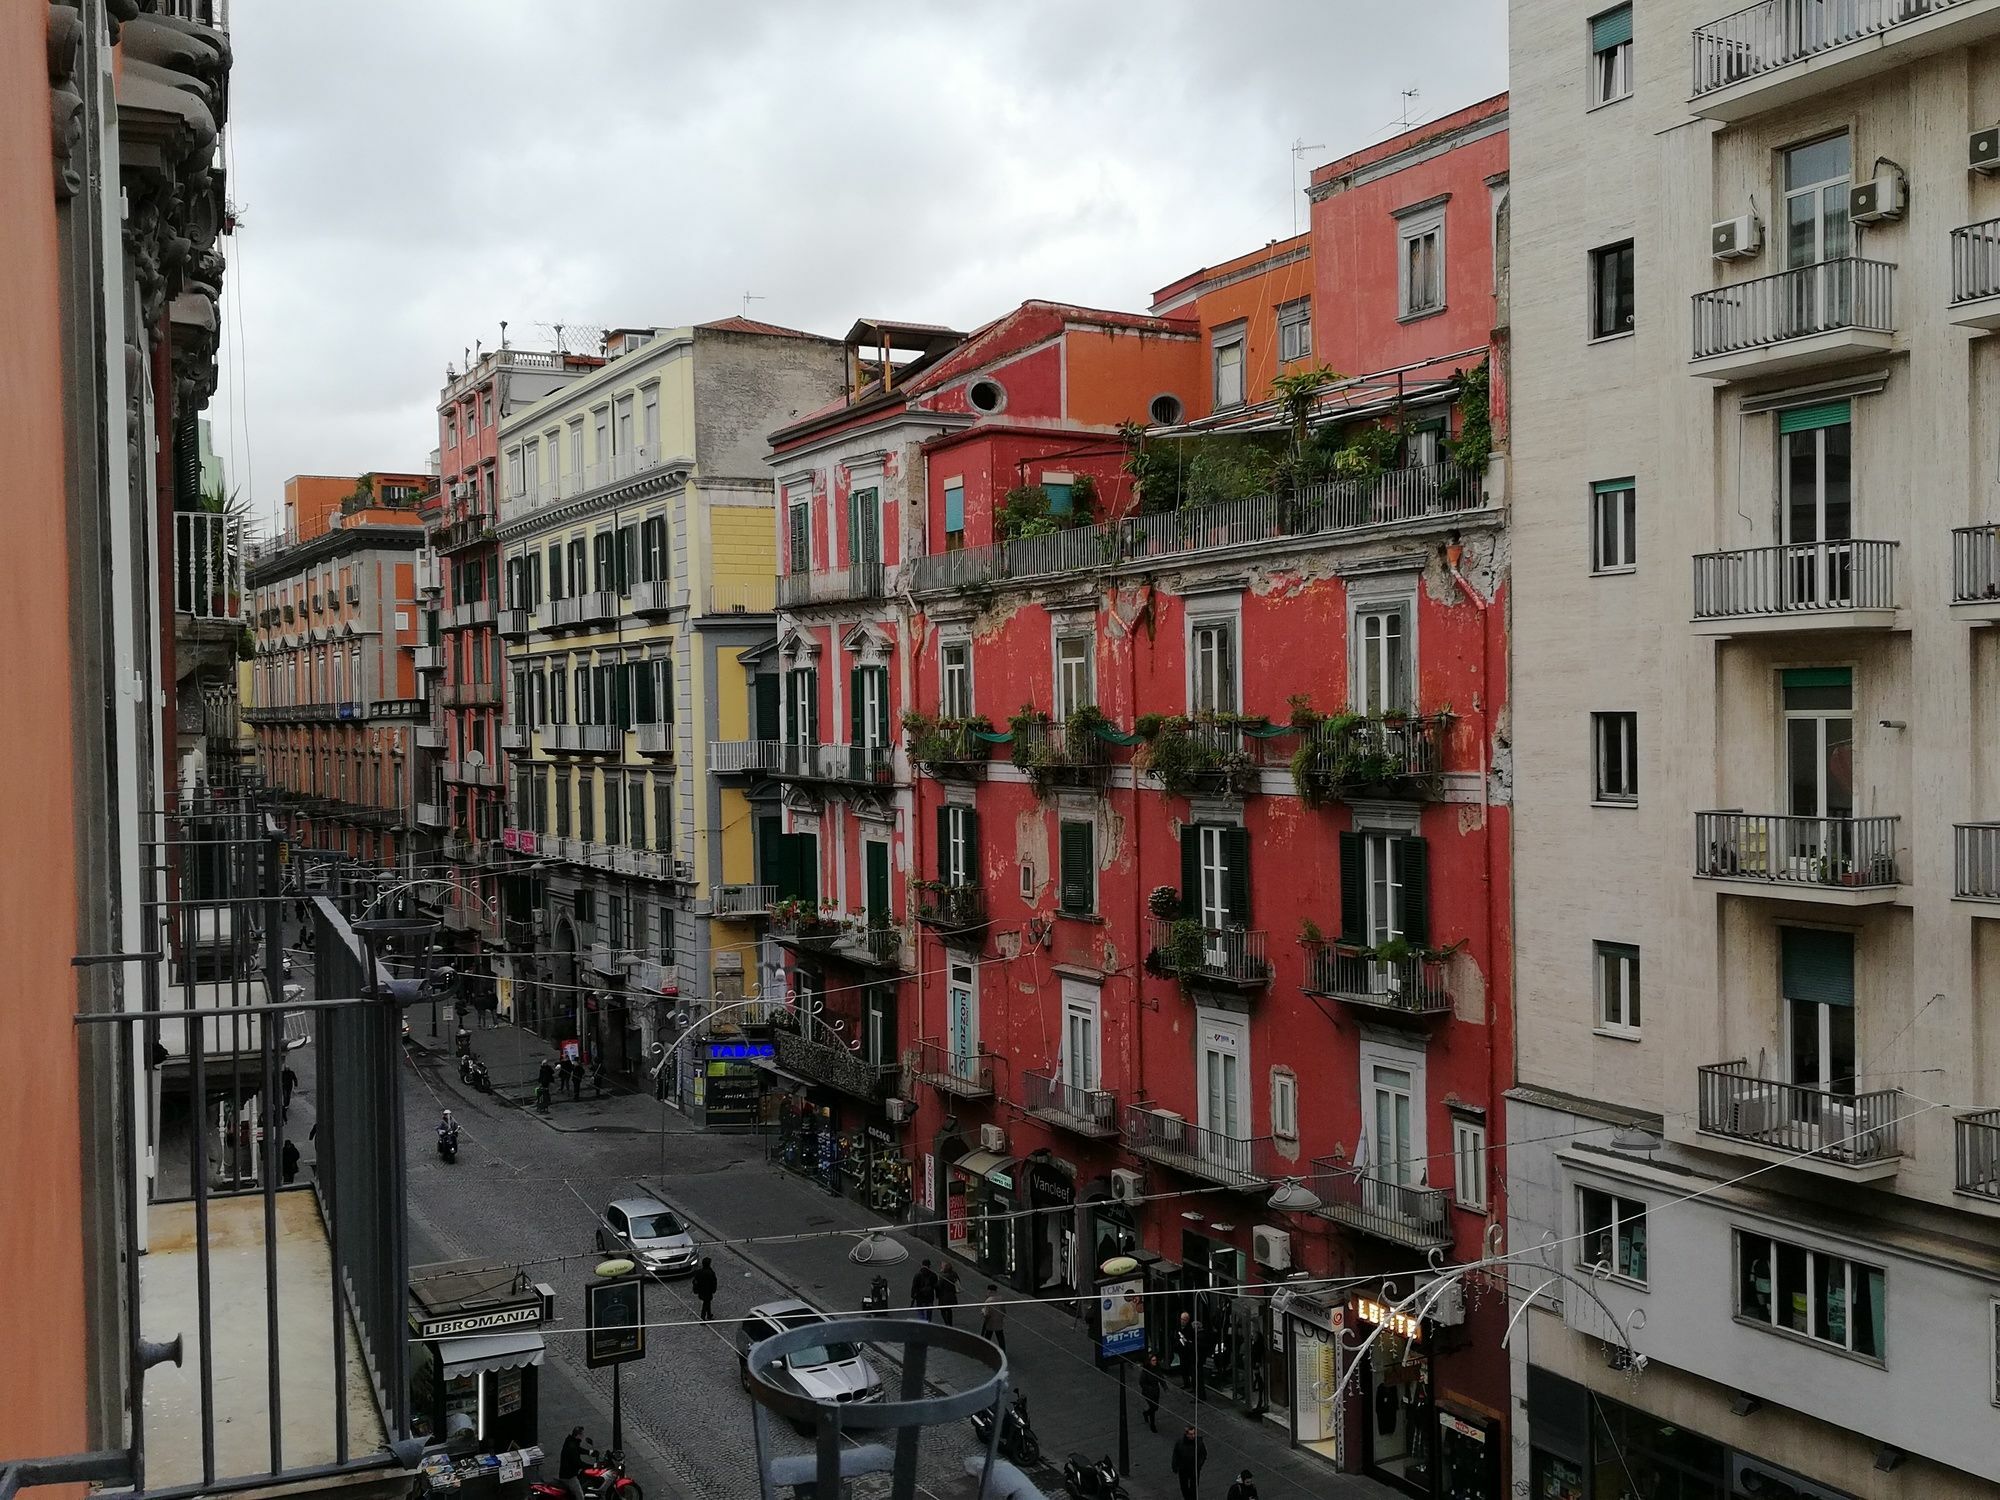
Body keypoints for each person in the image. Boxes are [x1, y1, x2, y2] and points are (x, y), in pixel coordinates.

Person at [1169, 1427, 1206, 1500]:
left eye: (1194, 1434)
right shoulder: (1180, 1443)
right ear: (1186, 1434)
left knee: (1194, 1488)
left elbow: (1203, 1455)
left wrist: (1199, 1465)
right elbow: (1176, 1455)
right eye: (1191, 1434)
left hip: (1194, 1469)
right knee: (1184, 1487)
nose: (1193, 1436)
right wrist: (1175, 1466)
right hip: (1183, 1469)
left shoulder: (1199, 1443)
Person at [558, 1426, 586, 1500]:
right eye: (582, 1434)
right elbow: (578, 1463)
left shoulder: (570, 1441)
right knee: (580, 1496)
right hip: (569, 1476)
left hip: (564, 1472)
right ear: (578, 1435)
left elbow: (578, 1449)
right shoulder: (572, 1448)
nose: (583, 1436)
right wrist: (592, 1466)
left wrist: (589, 1452)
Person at [1173, 1311, 1196, 1391]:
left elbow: (1191, 1340)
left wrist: (1186, 1341)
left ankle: (1192, 1385)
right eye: (1181, 1319)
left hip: (1188, 1352)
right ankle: (1186, 1383)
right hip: (1181, 1350)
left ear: (1188, 1320)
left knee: (1189, 1369)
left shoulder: (1190, 1329)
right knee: (1183, 1368)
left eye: (1184, 1320)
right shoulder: (1179, 1327)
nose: (1182, 1321)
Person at [1139, 1354, 1163, 1432]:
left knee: (1156, 1407)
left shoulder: (1157, 1369)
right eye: (1153, 1360)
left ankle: (1146, 1413)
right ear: (1149, 1361)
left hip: (1156, 1391)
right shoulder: (1145, 1371)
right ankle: (1152, 1424)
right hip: (1148, 1393)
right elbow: (1142, 1383)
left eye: (1155, 1360)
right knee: (1153, 1408)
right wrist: (1149, 1389)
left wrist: (1165, 1387)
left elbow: (1161, 1378)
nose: (1155, 1362)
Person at [979, 1284, 1006, 1349]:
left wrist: (983, 1311)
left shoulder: (988, 1301)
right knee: (1000, 1337)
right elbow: (1004, 1311)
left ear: (990, 1291)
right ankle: (1003, 1350)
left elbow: (986, 1314)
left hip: (990, 1322)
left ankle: (985, 1349)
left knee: (987, 1337)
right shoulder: (1001, 1298)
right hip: (999, 1321)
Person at [936, 1262, 960, 1326]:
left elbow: (939, 1286)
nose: (941, 1267)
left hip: (944, 1296)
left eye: (942, 1266)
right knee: (949, 1310)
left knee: (943, 1310)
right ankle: (950, 1323)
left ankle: (947, 1323)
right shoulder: (954, 1274)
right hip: (951, 1295)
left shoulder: (943, 1276)